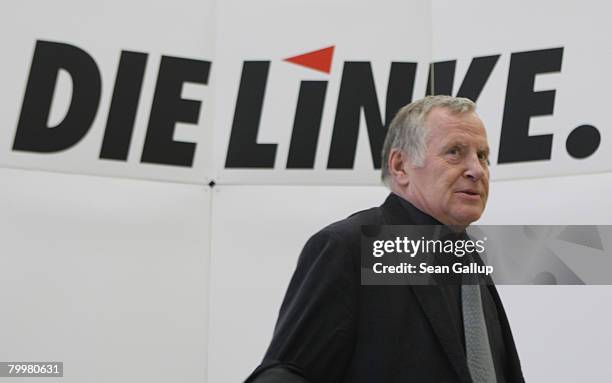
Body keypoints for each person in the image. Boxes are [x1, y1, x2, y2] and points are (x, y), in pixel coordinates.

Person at [245, 96, 524, 383]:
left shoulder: (469, 256)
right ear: (400, 166)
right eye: (455, 152)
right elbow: (288, 373)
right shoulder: (351, 248)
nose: (476, 170)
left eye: (482, 156)